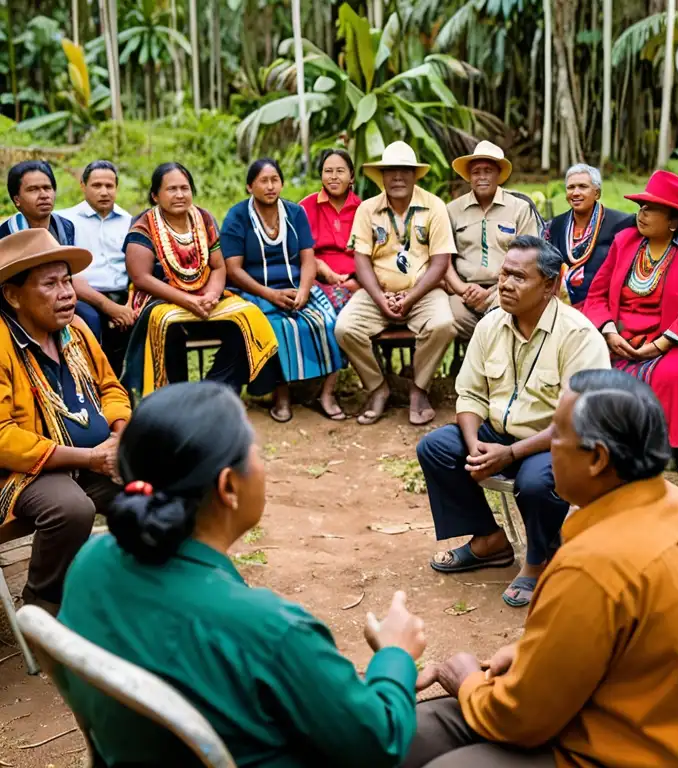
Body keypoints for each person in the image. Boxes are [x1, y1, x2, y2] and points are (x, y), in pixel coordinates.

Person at [57, 381, 427, 766]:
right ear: (229, 486)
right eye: (257, 452)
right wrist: (395, 654)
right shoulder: (270, 631)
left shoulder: (91, 562)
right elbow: (377, 744)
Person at [403, 369, 678, 768]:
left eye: (556, 434)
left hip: (638, 752)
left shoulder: (594, 565)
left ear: (597, 458)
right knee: (415, 731)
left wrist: (467, 681)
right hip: (655, 723)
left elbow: (520, 719)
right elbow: (630, 640)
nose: (547, 448)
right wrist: (528, 654)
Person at [417, 236, 609, 608]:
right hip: (497, 434)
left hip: (558, 441)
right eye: (504, 273)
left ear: (550, 285)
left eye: (519, 277)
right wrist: (475, 446)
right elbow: (470, 394)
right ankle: (489, 540)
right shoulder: (491, 325)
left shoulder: (579, 336)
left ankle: (539, 561)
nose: (505, 284)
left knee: (536, 482)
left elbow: (576, 422)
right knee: (437, 448)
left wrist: (510, 453)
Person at [0, 229, 130, 613]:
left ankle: (135, 581)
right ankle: (42, 603)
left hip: (96, 459)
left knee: (156, 483)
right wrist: (88, 459)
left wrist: (120, 436)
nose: (67, 292)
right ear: (13, 295)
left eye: (68, 281)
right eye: (50, 284)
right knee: (71, 509)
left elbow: (111, 388)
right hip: (24, 474)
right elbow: (3, 437)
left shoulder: (76, 331)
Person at [583, 170, 678, 457]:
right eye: (641, 207)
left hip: (670, 340)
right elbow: (596, 295)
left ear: (673, 220)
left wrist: (658, 346)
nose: (641, 214)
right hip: (618, 335)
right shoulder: (625, 241)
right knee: (583, 360)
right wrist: (609, 332)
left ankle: (665, 448)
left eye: (651, 209)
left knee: (676, 374)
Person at [121, 162, 278, 398]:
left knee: (248, 317)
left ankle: (215, 390)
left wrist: (212, 295)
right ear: (155, 195)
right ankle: (176, 396)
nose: (180, 195)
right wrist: (186, 300)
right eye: (171, 189)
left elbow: (218, 266)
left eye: (185, 188)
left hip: (205, 294)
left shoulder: (203, 219)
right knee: (168, 325)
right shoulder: (144, 226)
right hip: (160, 298)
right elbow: (141, 278)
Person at [334, 141, 456, 426]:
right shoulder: (367, 209)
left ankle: (418, 389)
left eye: (405, 171)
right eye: (391, 171)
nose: (398, 177)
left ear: (415, 175)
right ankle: (377, 388)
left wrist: (411, 297)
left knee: (444, 325)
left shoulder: (434, 206)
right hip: (379, 292)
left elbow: (440, 262)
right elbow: (361, 260)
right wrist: (379, 298)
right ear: (382, 176)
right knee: (345, 328)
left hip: (423, 292)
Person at [222, 158, 346, 423]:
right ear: (249, 186)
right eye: (263, 181)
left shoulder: (295, 213)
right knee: (274, 327)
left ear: (282, 183)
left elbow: (307, 259)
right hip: (256, 292)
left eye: (274, 180)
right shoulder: (237, 216)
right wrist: (269, 294)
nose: (270, 187)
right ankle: (282, 395)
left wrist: (303, 291)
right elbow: (233, 269)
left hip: (298, 287)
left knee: (332, 321)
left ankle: (326, 394)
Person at [445, 141, 540, 339]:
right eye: (476, 172)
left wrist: (496, 290)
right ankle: (478, 362)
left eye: (488, 171)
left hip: (508, 287)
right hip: (464, 291)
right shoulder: (452, 210)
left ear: (499, 174)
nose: (482, 177)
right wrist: (463, 290)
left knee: (505, 317)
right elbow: (443, 260)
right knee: (446, 320)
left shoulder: (519, 208)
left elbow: (529, 259)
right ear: (469, 177)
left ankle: (495, 366)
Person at [57, 160, 135, 373]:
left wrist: (127, 305)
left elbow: (136, 269)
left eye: (109, 186)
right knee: (90, 320)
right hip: (83, 295)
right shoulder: (65, 221)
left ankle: (137, 389)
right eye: (97, 185)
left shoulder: (130, 222)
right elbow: (69, 274)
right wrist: (110, 308)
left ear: (116, 188)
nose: (104, 192)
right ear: (83, 186)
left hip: (123, 294)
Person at [544, 164, 634, 307]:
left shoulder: (620, 223)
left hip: (601, 304)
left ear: (597, 193)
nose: (575, 193)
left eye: (582, 186)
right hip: (560, 304)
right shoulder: (557, 224)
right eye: (571, 187)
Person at [299, 148, 362, 312]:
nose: (333, 176)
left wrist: (357, 281)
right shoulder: (305, 208)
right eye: (328, 171)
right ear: (321, 175)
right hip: (317, 282)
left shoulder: (365, 209)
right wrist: (322, 270)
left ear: (352, 177)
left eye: (340, 171)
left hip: (359, 283)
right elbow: (297, 253)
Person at [0, 160, 75, 244]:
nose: (44, 195)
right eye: (33, 189)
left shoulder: (66, 227)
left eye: (47, 188)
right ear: (17, 199)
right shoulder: (5, 234)